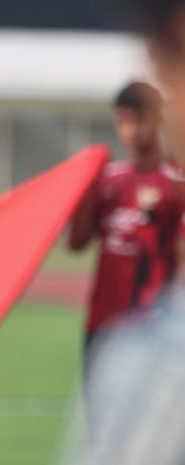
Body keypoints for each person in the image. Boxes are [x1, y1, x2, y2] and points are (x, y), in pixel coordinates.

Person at [69, 81, 185, 355]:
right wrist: (85, 187)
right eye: (123, 121)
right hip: (104, 319)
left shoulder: (177, 182)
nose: (130, 129)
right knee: (97, 398)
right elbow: (77, 243)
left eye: (138, 119)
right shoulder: (108, 178)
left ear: (157, 118)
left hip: (152, 323)